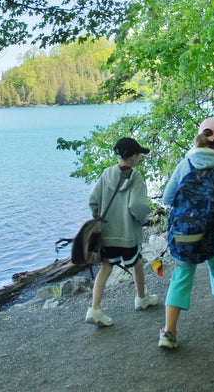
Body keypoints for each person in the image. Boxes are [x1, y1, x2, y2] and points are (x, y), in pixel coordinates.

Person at [158, 118, 214, 349]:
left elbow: (168, 198)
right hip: (212, 231)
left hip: (184, 232)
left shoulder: (185, 163)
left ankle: (169, 332)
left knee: (182, 275)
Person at [85, 137, 159, 327]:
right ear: (133, 157)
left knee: (106, 268)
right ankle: (141, 298)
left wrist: (100, 217)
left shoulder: (106, 174)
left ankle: (95, 309)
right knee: (137, 263)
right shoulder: (136, 178)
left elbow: (93, 201)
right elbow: (138, 205)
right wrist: (140, 219)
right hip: (127, 235)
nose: (139, 159)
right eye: (139, 155)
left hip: (107, 233)